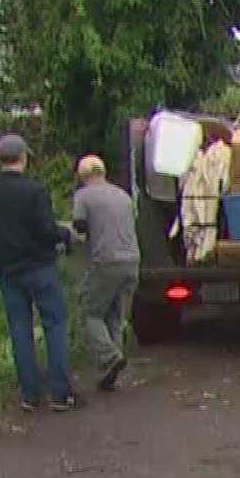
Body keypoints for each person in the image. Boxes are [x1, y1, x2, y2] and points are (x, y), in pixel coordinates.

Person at [0, 133, 79, 412]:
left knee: (20, 328)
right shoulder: (35, 190)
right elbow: (45, 230)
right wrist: (65, 235)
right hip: (40, 267)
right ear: (24, 157)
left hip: (7, 271)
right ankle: (60, 393)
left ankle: (30, 395)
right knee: (54, 324)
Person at [71, 155, 140, 392]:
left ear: (82, 175)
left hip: (105, 262)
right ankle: (112, 373)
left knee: (90, 312)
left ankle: (110, 357)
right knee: (115, 317)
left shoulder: (83, 196)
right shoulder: (123, 195)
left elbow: (80, 227)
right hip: (132, 260)